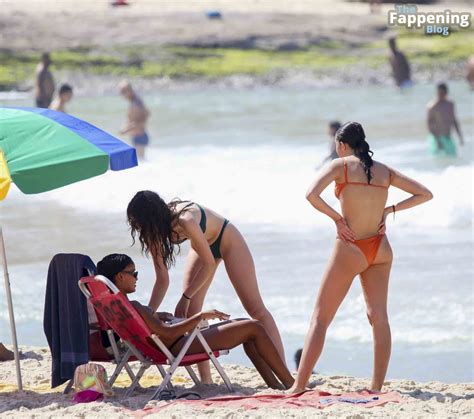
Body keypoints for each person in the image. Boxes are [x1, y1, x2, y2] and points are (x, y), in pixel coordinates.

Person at [289, 122, 433, 393]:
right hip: (380, 248)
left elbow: (311, 195)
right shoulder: (384, 171)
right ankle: (376, 387)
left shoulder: (339, 166)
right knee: (379, 317)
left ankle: (297, 386)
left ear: (342, 145)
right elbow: (425, 194)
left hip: (350, 247)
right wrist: (389, 210)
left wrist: (336, 219)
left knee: (320, 319)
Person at [126, 191, 286, 384]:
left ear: (151, 216)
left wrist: (184, 297)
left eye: (138, 222)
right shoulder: (153, 231)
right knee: (193, 310)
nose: (138, 227)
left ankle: (282, 368)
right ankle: (205, 381)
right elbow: (162, 279)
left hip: (226, 238)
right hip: (202, 247)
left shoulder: (185, 219)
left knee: (256, 309)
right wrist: (148, 315)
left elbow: (209, 264)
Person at [96, 253, 294, 390]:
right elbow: (168, 333)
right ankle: (290, 382)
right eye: (134, 273)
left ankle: (275, 385)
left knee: (245, 323)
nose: (137, 278)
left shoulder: (116, 306)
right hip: (178, 345)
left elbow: (150, 327)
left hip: (168, 345)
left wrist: (158, 316)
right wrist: (200, 316)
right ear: (120, 276)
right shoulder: (134, 306)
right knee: (254, 327)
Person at [427, 83, 464, 157]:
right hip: (436, 139)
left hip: (448, 137)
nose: (440, 95)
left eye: (442, 93)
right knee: (438, 160)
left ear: (446, 92)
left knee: (453, 159)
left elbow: (454, 121)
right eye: (439, 93)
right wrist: (437, 140)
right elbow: (429, 125)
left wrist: (460, 136)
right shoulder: (432, 106)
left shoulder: (450, 104)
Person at [119, 80, 150, 160]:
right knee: (142, 161)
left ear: (130, 90)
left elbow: (136, 123)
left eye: (123, 91)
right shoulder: (137, 101)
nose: (122, 94)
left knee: (141, 162)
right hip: (140, 135)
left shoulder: (135, 104)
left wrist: (124, 131)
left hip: (139, 136)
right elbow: (147, 113)